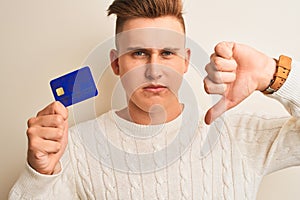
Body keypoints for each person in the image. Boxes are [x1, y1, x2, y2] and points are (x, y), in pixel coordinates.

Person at [9, 0, 300, 199]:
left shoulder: (239, 136)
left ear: (186, 61)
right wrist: (40, 175)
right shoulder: (74, 149)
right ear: (116, 63)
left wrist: (275, 74)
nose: (154, 70)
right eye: (138, 53)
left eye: (167, 53)